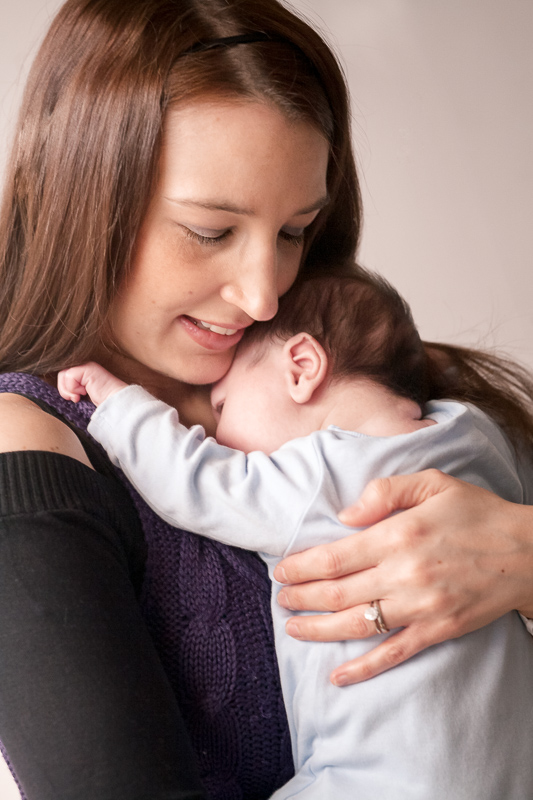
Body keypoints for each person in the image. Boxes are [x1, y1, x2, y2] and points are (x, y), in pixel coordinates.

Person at [1, 0, 533, 798]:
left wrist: (521, 554)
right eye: (211, 231)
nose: (261, 295)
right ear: (86, 204)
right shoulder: (28, 445)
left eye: (294, 233)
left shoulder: (368, 390)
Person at [57, 271, 533, 798]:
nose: (218, 434)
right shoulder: (477, 436)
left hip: (375, 779)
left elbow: (193, 481)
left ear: (302, 368)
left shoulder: (322, 475)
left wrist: (116, 402)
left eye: (221, 407)